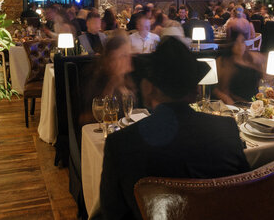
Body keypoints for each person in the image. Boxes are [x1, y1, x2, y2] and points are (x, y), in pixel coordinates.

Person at [99, 37, 250, 220]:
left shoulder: (120, 144)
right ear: (195, 92)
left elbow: (112, 214)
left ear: (149, 89)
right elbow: (244, 193)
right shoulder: (227, 129)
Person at [80, 32, 135, 126]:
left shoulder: (130, 78)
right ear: (111, 59)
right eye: (123, 56)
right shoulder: (97, 81)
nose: (129, 59)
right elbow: (84, 119)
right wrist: (111, 85)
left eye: (129, 55)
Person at [213, 37, 265, 105]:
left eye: (242, 42)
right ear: (231, 45)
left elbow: (264, 78)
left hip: (255, 102)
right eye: (236, 43)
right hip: (238, 104)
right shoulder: (226, 62)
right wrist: (233, 105)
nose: (240, 46)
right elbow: (222, 90)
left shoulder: (252, 57)